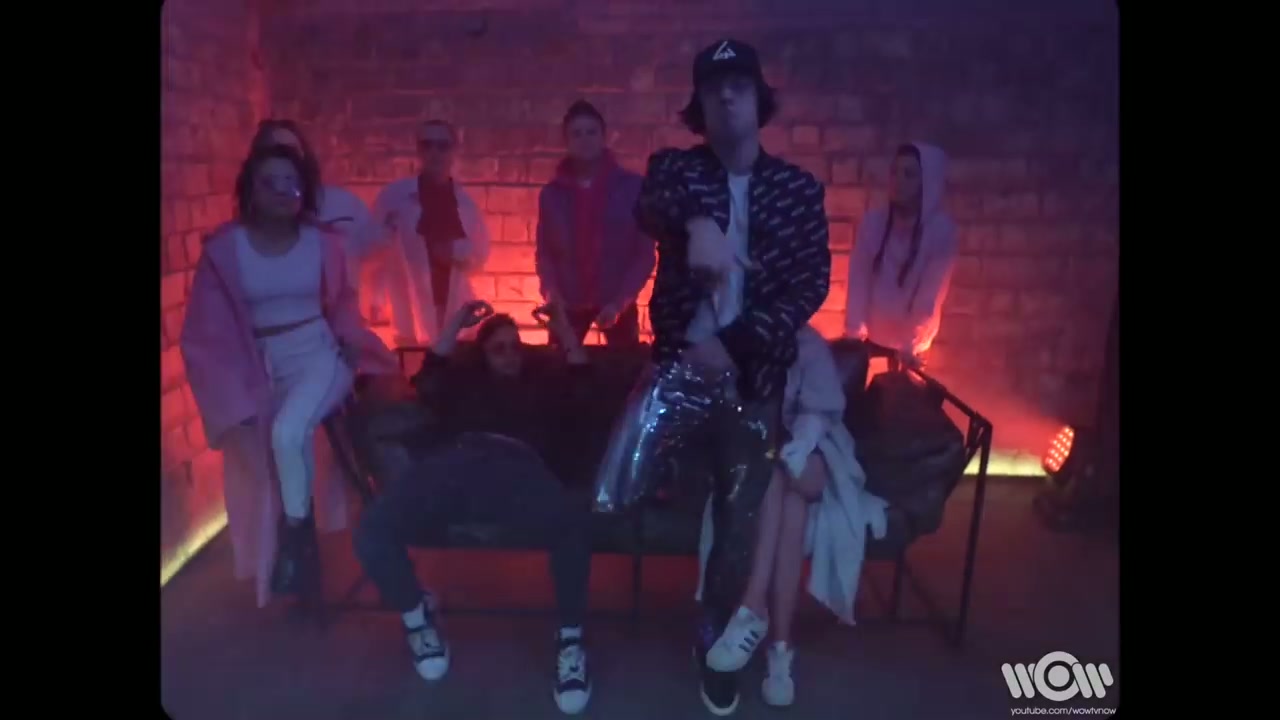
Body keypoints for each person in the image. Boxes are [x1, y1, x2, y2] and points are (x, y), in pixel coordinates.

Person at [633, 38, 831, 716]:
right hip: (679, 378)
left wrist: (734, 343)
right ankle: (704, 617)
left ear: (758, 97)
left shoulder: (797, 190)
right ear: (698, 103)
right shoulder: (677, 170)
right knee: (657, 496)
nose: (725, 95)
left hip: (752, 379)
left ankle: (714, 640)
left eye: (739, 84)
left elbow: (809, 286)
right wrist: (698, 224)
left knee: (740, 518)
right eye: (713, 86)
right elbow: (651, 199)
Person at [181, 144, 400, 608]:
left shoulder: (323, 243)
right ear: (251, 190)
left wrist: (351, 338)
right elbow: (207, 330)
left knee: (287, 431)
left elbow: (342, 301)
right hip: (259, 363)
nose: (283, 191)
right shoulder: (226, 249)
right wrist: (229, 396)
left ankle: (295, 542)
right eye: (271, 182)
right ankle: (295, 550)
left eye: (292, 182)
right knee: (274, 452)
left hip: (320, 355)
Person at [353, 300, 597, 715]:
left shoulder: (541, 386)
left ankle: (570, 643)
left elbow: (583, 388)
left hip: (521, 468)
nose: (510, 355)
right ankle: (417, 617)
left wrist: (565, 330)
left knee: (574, 520)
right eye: (499, 348)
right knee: (373, 528)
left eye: (515, 346)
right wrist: (455, 324)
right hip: (455, 464)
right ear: (482, 354)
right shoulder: (463, 385)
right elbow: (428, 378)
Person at [693, 325, 889, 708]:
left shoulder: (807, 343)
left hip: (812, 453)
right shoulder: (731, 336)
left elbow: (823, 412)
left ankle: (752, 609)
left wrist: (803, 436)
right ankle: (780, 649)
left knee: (788, 474)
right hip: (759, 461)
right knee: (786, 495)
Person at [535, 100, 654, 346]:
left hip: (617, 302)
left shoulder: (633, 188)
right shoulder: (552, 195)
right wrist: (551, 294)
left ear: (603, 137)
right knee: (559, 366)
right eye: (577, 134)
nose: (585, 139)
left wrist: (621, 301)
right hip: (566, 304)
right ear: (566, 142)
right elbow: (545, 253)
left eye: (591, 132)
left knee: (623, 367)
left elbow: (644, 254)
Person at [367, 120, 491, 346]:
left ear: (453, 151)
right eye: (427, 145)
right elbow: (374, 252)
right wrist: (376, 298)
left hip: (453, 307)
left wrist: (455, 253)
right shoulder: (394, 197)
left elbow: (479, 257)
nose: (434, 152)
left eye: (442, 146)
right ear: (418, 150)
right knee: (413, 363)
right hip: (408, 309)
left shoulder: (465, 204)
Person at [246, 119, 381, 322]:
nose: (284, 160)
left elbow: (371, 253)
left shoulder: (343, 205)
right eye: (274, 151)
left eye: (291, 151)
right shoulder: (236, 240)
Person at [843, 142, 958, 369]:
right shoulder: (873, 223)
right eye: (895, 172)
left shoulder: (940, 231)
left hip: (912, 344)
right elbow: (859, 279)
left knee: (904, 390)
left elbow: (930, 294)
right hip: (871, 334)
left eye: (909, 174)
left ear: (927, 183)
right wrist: (854, 332)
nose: (898, 181)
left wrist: (911, 344)